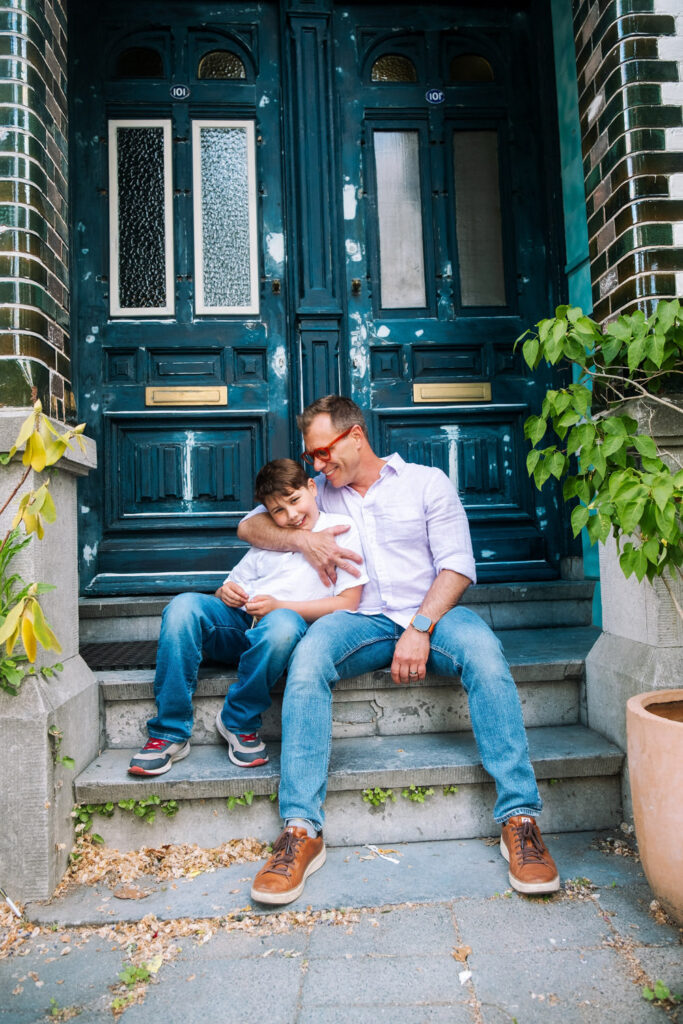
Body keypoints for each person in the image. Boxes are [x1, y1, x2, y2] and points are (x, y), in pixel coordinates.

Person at [239, 395, 560, 905]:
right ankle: (301, 830)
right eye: (312, 458)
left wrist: (421, 626)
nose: (317, 466)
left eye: (323, 453)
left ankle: (520, 820)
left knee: (485, 655)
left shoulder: (426, 482)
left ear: (356, 435)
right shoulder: (316, 493)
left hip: (435, 614)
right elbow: (250, 526)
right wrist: (303, 542)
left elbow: (456, 566)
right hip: (357, 619)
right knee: (306, 663)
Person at [128, 458, 367, 776]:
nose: (291, 516)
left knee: (282, 623)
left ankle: (238, 720)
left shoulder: (341, 530)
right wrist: (224, 593)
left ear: (312, 487)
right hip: (239, 628)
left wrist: (281, 605)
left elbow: (348, 603)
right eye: (279, 511)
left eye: (295, 501)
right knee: (183, 606)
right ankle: (169, 731)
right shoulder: (273, 537)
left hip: (281, 637)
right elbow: (232, 586)